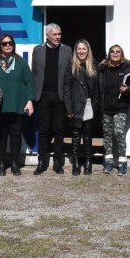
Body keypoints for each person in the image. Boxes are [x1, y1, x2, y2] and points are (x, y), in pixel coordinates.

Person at [0, 33, 34, 176]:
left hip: (17, 105)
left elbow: (29, 82)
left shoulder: (20, 62)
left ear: (13, 45)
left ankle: (14, 163)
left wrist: (30, 101)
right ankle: (1, 164)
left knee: (15, 135)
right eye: (4, 43)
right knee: (1, 136)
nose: (7, 45)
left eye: (10, 43)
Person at [31, 23, 73, 175]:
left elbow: (71, 73)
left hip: (60, 96)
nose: (58, 37)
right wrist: (33, 96)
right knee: (43, 130)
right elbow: (34, 73)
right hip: (43, 95)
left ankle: (58, 162)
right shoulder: (38, 50)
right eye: (54, 34)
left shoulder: (67, 50)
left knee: (59, 130)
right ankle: (41, 161)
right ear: (47, 35)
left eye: (59, 34)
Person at [96, 44, 130, 176]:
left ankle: (122, 163)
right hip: (105, 107)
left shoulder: (127, 68)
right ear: (109, 55)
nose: (116, 54)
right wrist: (99, 66)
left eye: (118, 52)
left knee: (118, 132)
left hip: (120, 107)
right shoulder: (103, 69)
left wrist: (127, 89)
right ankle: (109, 162)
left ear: (121, 54)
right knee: (107, 135)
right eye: (113, 52)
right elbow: (95, 81)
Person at [63, 39, 99, 176]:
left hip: (89, 105)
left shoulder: (94, 65)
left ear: (88, 50)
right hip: (75, 105)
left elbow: (98, 87)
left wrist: (96, 105)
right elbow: (66, 88)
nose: (81, 51)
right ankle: (76, 163)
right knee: (76, 135)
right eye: (79, 49)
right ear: (75, 51)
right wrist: (68, 108)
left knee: (88, 136)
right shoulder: (71, 65)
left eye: (84, 49)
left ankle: (88, 162)